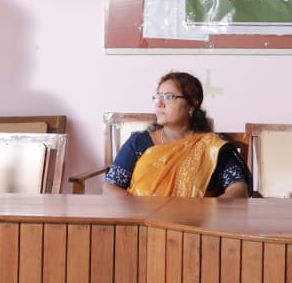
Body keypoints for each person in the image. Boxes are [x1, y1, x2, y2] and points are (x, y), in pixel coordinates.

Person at [105, 72, 251, 198]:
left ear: (192, 105)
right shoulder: (139, 142)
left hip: (194, 220)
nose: (160, 104)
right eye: (158, 97)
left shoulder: (211, 146)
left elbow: (238, 188)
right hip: (142, 219)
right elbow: (110, 187)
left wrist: (211, 210)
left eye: (169, 97)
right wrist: (137, 207)